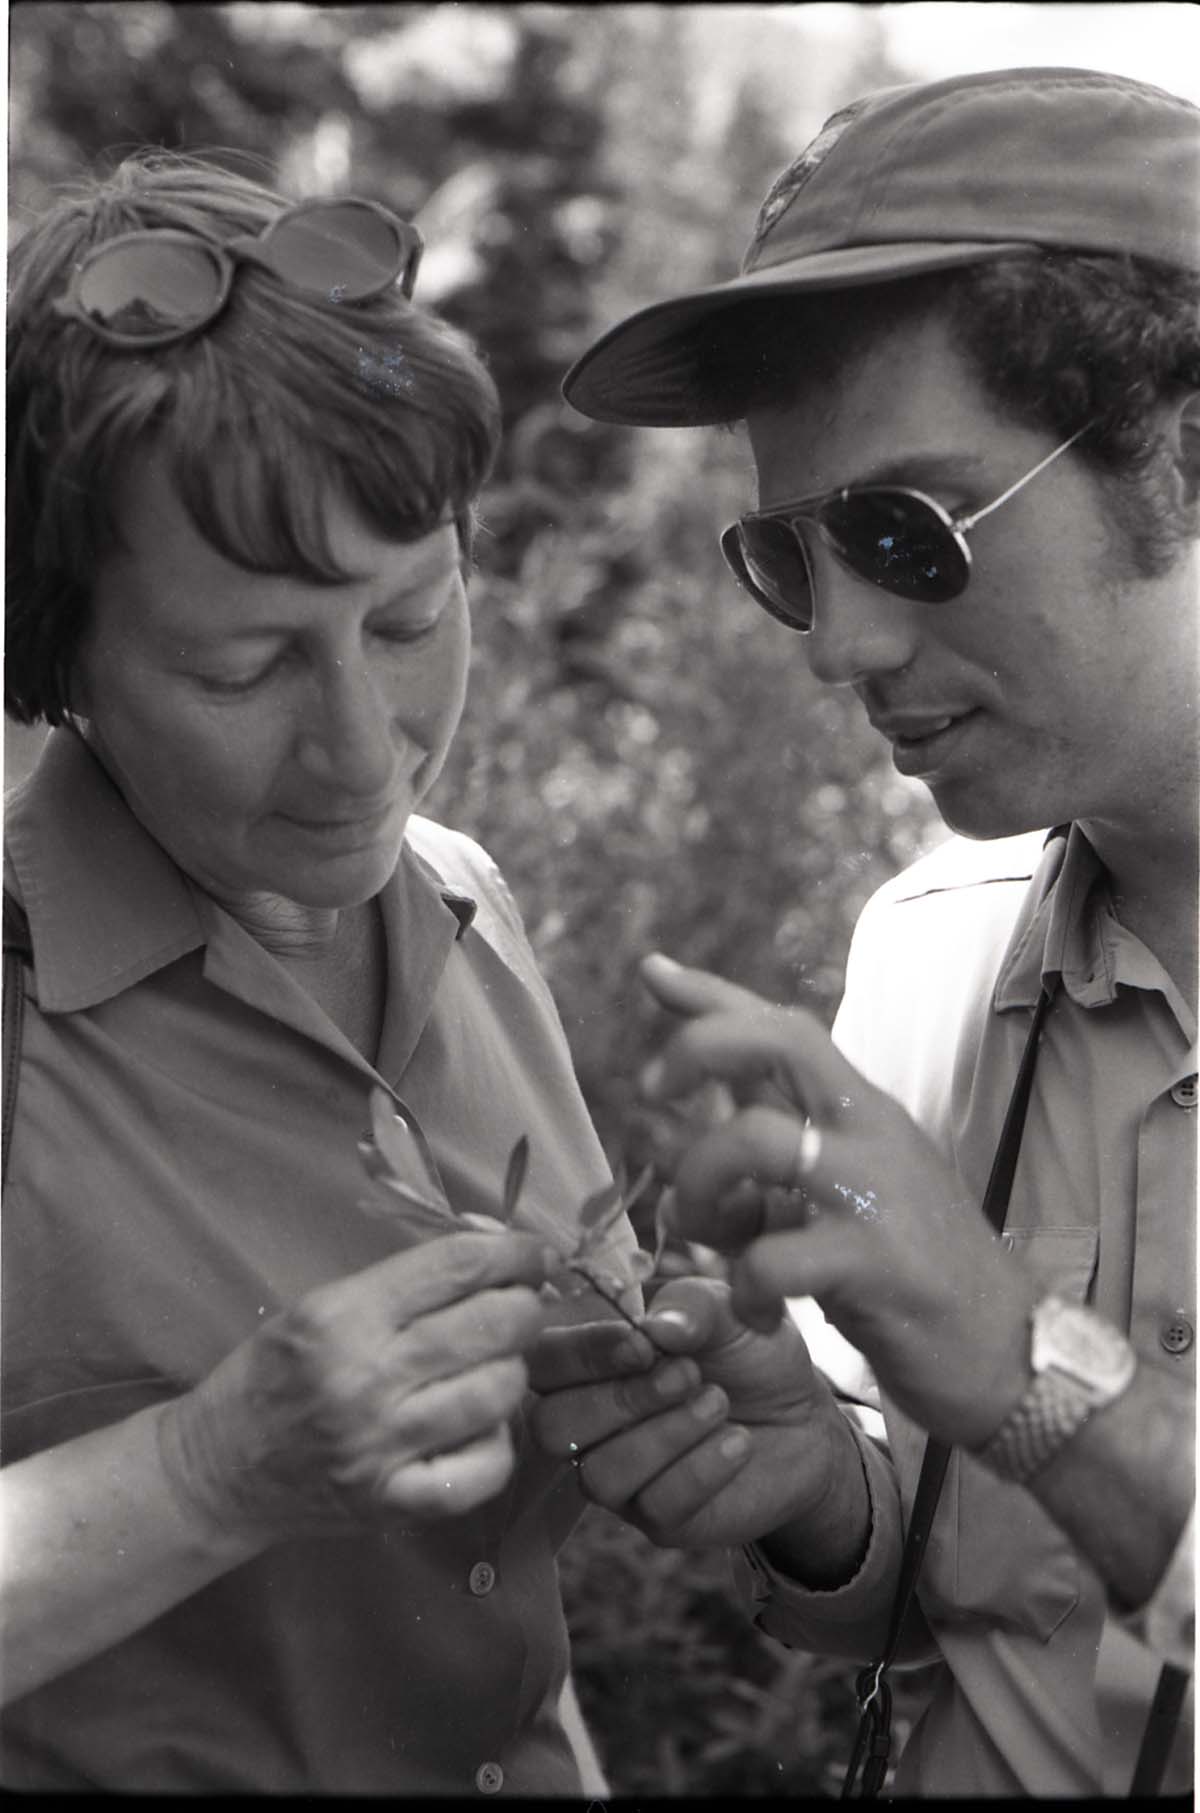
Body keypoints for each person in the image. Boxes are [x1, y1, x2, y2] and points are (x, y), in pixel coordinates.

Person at [529, 67, 1198, 1796]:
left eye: (908, 530)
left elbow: (1021, 1388)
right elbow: (954, 1580)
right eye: (787, 556)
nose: (836, 645)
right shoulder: (932, 956)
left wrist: (1029, 1369)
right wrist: (818, 1485)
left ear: (1183, 447)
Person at [1, 149, 633, 1794]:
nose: (365, 749)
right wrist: (206, 1471)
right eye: (243, 661)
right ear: (55, 661)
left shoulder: (469, 909)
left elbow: (508, 1625)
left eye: (412, 618)